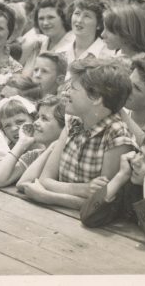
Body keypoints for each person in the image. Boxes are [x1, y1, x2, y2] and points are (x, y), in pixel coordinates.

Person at [24, 60, 135, 209]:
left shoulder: (117, 135)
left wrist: (48, 197)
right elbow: (45, 180)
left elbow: (102, 202)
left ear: (95, 98)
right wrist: (82, 189)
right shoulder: (72, 122)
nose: (65, 92)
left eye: (73, 88)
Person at [0, 95, 66, 187]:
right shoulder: (34, 155)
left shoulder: (67, 157)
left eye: (44, 118)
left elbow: (22, 184)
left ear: (64, 125)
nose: (36, 122)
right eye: (38, 117)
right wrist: (21, 144)